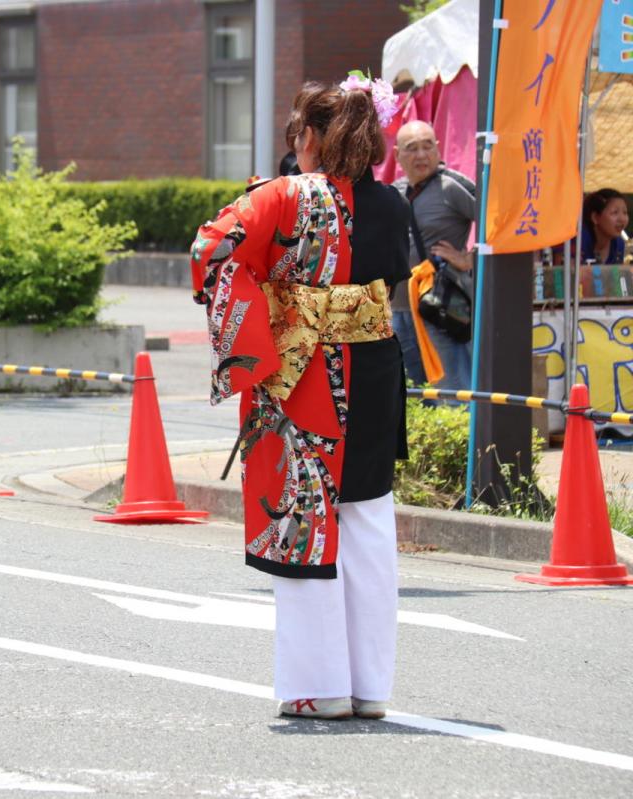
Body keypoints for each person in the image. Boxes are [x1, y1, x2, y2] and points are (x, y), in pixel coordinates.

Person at [191, 75, 409, 720]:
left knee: (307, 524)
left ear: (310, 136)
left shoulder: (286, 195)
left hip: (306, 376)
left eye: (297, 132)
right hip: (373, 369)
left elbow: (212, 250)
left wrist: (255, 341)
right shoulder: (394, 204)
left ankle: (320, 686)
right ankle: (371, 686)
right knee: (368, 522)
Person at [392, 120, 476, 394]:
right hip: (400, 308)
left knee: (451, 389)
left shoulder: (452, 187)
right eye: (412, 148)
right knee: (413, 394)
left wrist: (469, 260)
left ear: (438, 149)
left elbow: (499, 226)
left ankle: (461, 438)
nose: (421, 155)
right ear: (397, 155)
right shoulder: (395, 191)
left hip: (440, 304)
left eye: (427, 147)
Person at [579, 188, 628, 265]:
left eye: (625, 213)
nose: (622, 219)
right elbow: (561, 274)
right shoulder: (578, 241)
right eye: (615, 212)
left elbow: (616, 275)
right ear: (595, 217)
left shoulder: (619, 244)